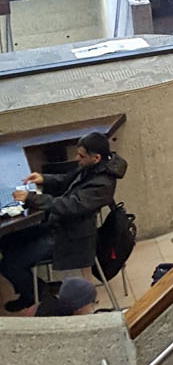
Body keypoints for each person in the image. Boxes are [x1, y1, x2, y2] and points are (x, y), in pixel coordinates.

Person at [1, 131, 127, 313]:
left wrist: (32, 198)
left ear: (96, 157)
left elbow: (71, 205)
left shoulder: (103, 184)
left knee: (9, 264)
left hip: (71, 238)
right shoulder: (95, 167)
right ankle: (32, 289)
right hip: (60, 224)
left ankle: (38, 294)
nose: (77, 158)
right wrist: (44, 179)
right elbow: (68, 181)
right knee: (6, 241)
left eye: (81, 156)